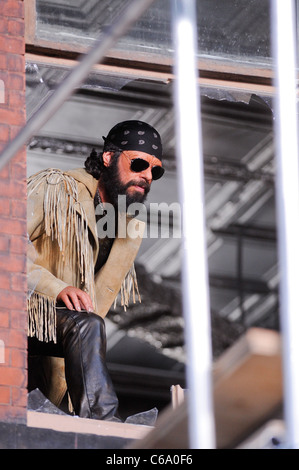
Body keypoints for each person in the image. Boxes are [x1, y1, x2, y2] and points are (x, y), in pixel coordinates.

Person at [27, 120, 164, 420]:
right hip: (17, 310)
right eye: (139, 163)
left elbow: (96, 306)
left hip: (55, 341)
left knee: (88, 325)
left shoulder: (128, 226)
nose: (146, 176)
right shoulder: (56, 188)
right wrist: (56, 288)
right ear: (108, 158)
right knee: (85, 325)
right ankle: (103, 424)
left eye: (155, 170)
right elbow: (5, 245)